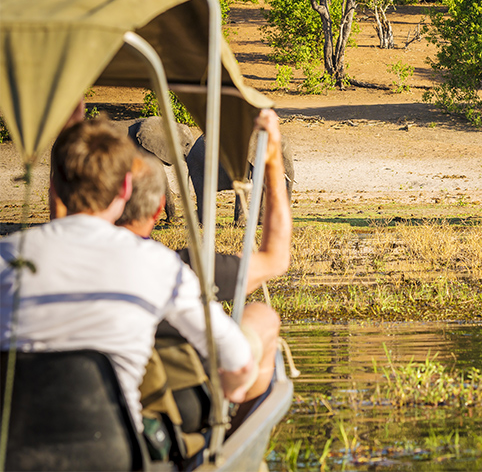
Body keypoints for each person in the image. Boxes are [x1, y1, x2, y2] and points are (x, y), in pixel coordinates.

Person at [0, 118, 263, 433]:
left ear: (54, 186)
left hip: (13, 451)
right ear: (126, 187)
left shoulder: (5, 257)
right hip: (117, 450)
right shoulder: (158, 264)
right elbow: (238, 360)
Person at [116, 110, 291, 440]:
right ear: (158, 210)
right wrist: (272, 163)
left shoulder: (13, 262)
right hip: (155, 425)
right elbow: (276, 258)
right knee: (262, 317)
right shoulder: (172, 270)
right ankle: (228, 443)